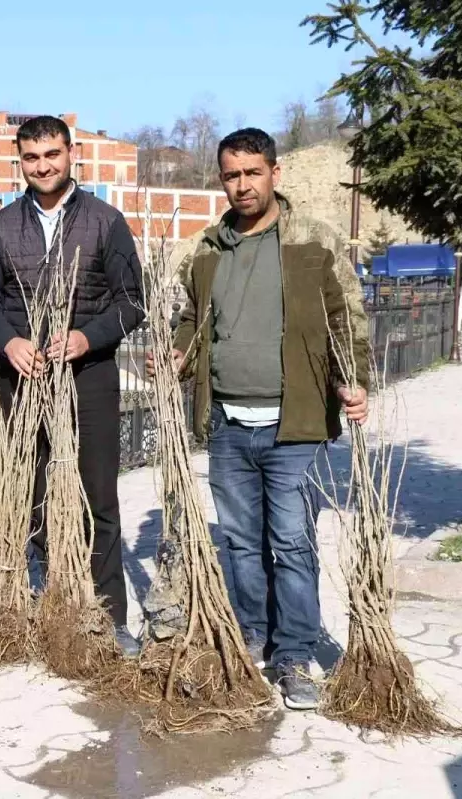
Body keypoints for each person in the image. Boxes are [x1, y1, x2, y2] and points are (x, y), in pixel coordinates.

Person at [148, 128, 371, 709]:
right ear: (221, 179)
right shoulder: (207, 249)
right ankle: (252, 636)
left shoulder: (313, 243)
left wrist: (357, 381)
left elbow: (349, 320)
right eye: (231, 175)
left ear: (275, 173)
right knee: (243, 543)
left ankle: (295, 654)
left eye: (252, 173)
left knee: (292, 542)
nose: (242, 185)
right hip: (226, 422)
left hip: (293, 424)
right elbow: (192, 321)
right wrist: (177, 355)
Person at [0, 115, 144, 657]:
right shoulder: (0, 227)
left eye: (52, 154)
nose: (43, 166)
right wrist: (8, 342)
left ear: (72, 155)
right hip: (21, 380)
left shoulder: (105, 221)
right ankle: (51, 604)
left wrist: (87, 339)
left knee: (98, 498)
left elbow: (133, 302)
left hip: (88, 379)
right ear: (19, 161)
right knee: (30, 498)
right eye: (31, 157)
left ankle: (109, 614)